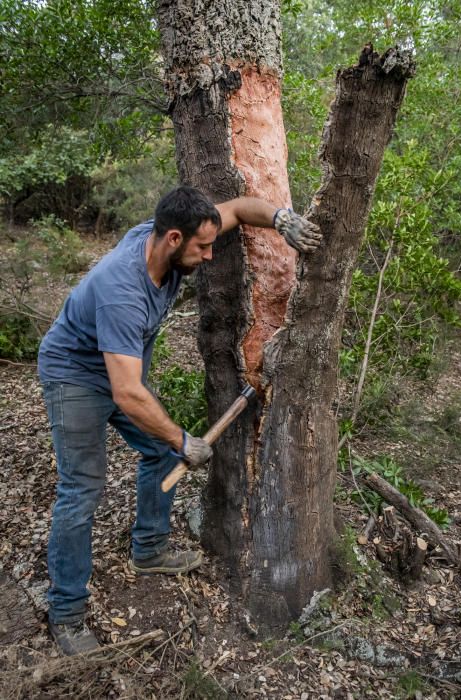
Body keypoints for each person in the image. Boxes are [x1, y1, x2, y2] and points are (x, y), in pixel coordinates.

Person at [37, 185, 321, 655]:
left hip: (118, 373)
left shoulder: (170, 239)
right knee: (82, 490)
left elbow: (234, 210)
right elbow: (128, 394)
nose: (210, 255)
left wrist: (282, 219)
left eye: (211, 244)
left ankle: (148, 550)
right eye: (202, 247)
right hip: (75, 379)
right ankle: (66, 612)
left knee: (157, 451)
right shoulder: (121, 291)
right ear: (172, 237)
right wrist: (184, 439)